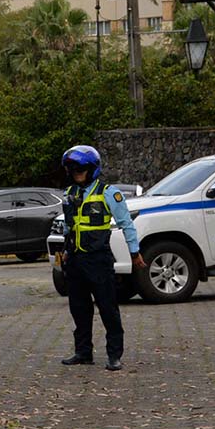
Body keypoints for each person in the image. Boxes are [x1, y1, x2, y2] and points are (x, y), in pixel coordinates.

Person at [58, 145, 145, 371]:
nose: (76, 172)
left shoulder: (108, 193)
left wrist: (134, 253)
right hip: (76, 260)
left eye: (80, 169)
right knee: (79, 308)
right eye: (72, 169)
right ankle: (83, 352)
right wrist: (66, 253)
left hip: (98, 259)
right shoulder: (69, 194)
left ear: (92, 169)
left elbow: (127, 224)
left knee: (108, 307)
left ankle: (114, 355)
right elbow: (70, 227)